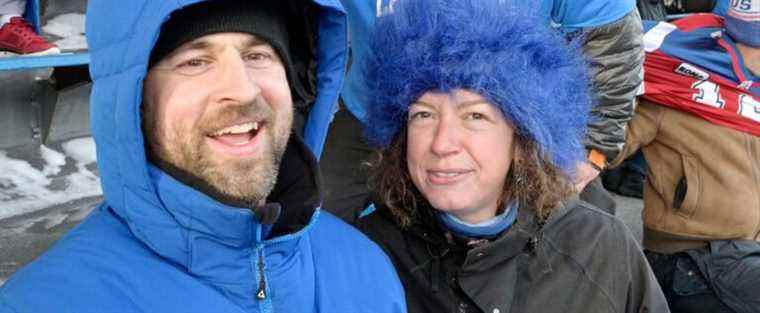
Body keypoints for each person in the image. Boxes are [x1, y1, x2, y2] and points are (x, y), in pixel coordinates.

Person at [0, 1, 406, 312]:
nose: (243, 90)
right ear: (134, 100)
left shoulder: (368, 274)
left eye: (257, 55)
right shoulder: (47, 302)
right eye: (195, 61)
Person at [355, 1, 670, 312]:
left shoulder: (600, 252)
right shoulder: (361, 259)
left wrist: (593, 154)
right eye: (423, 115)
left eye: (475, 116)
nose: (442, 143)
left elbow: (615, 41)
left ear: (522, 139)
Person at [321, 0, 644, 221]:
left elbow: (613, 45)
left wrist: (591, 150)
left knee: (579, 232)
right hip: (375, 111)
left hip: (517, 117)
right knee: (317, 225)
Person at [608, 1, 760, 312]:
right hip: (688, 255)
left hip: (746, 253)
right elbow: (606, 144)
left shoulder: (752, 92)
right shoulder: (674, 80)